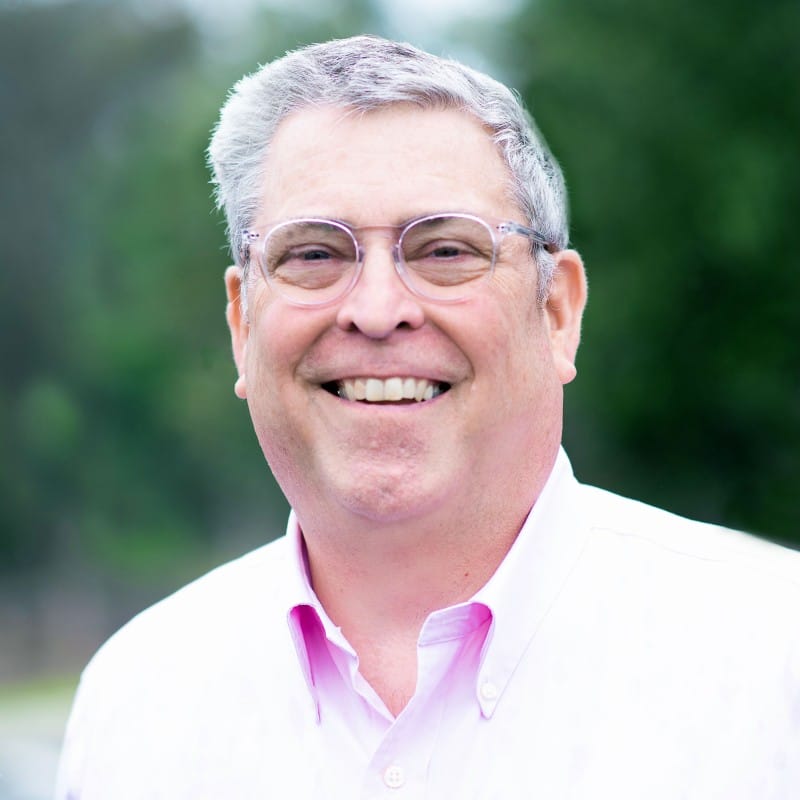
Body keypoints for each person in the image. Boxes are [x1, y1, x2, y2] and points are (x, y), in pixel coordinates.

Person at [55, 35, 800, 799]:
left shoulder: (774, 666)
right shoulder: (132, 709)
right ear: (243, 324)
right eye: (314, 255)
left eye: (445, 251)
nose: (378, 311)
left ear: (556, 311)